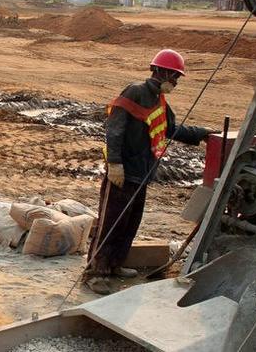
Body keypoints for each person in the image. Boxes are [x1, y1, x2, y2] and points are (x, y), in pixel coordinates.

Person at [86, 49, 212, 295]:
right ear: (162, 72)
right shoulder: (135, 92)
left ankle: (114, 264)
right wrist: (114, 163)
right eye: (174, 77)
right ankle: (95, 272)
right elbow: (114, 129)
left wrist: (204, 133)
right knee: (111, 222)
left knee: (130, 223)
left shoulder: (160, 102)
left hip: (142, 173)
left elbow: (172, 129)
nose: (175, 83)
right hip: (122, 173)